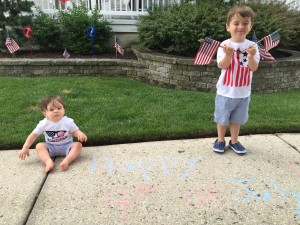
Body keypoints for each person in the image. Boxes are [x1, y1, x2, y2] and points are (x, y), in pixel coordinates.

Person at [213, 6, 260, 154]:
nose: (241, 26)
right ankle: (220, 140)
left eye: (245, 23)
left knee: (237, 120)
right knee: (222, 119)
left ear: (250, 26)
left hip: (243, 93)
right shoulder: (224, 45)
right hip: (225, 91)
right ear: (228, 27)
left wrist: (251, 57)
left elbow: (253, 68)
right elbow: (222, 65)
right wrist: (228, 54)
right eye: (236, 23)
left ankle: (234, 141)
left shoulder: (252, 46)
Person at [19, 96, 88, 172]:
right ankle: (48, 161)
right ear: (45, 113)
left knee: (78, 145)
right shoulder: (43, 124)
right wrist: (25, 148)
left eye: (59, 108)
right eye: (51, 109)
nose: (56, 111)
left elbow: (75, 131)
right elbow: (33, 135)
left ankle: (67, 160)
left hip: (67, 145)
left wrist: (79, 133)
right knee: (39, 146)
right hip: (50, 147)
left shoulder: (68, 122)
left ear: (64, 110)